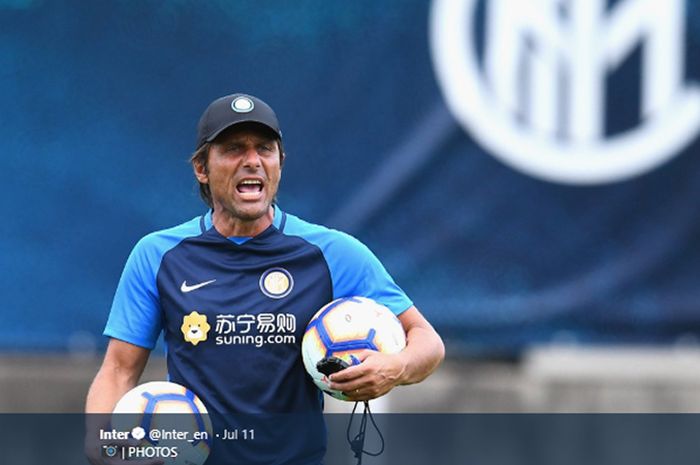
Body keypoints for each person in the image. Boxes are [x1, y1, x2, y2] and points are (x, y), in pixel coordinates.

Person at [85, 93, 445, 464]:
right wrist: (103, 447)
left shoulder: (332, 252)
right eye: (233, 149)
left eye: (264, 149)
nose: (252, 161)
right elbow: (118, 370)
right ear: (201, 168)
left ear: (280, 163)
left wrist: (394, 368)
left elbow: (427, 342)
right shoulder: (158, 255)